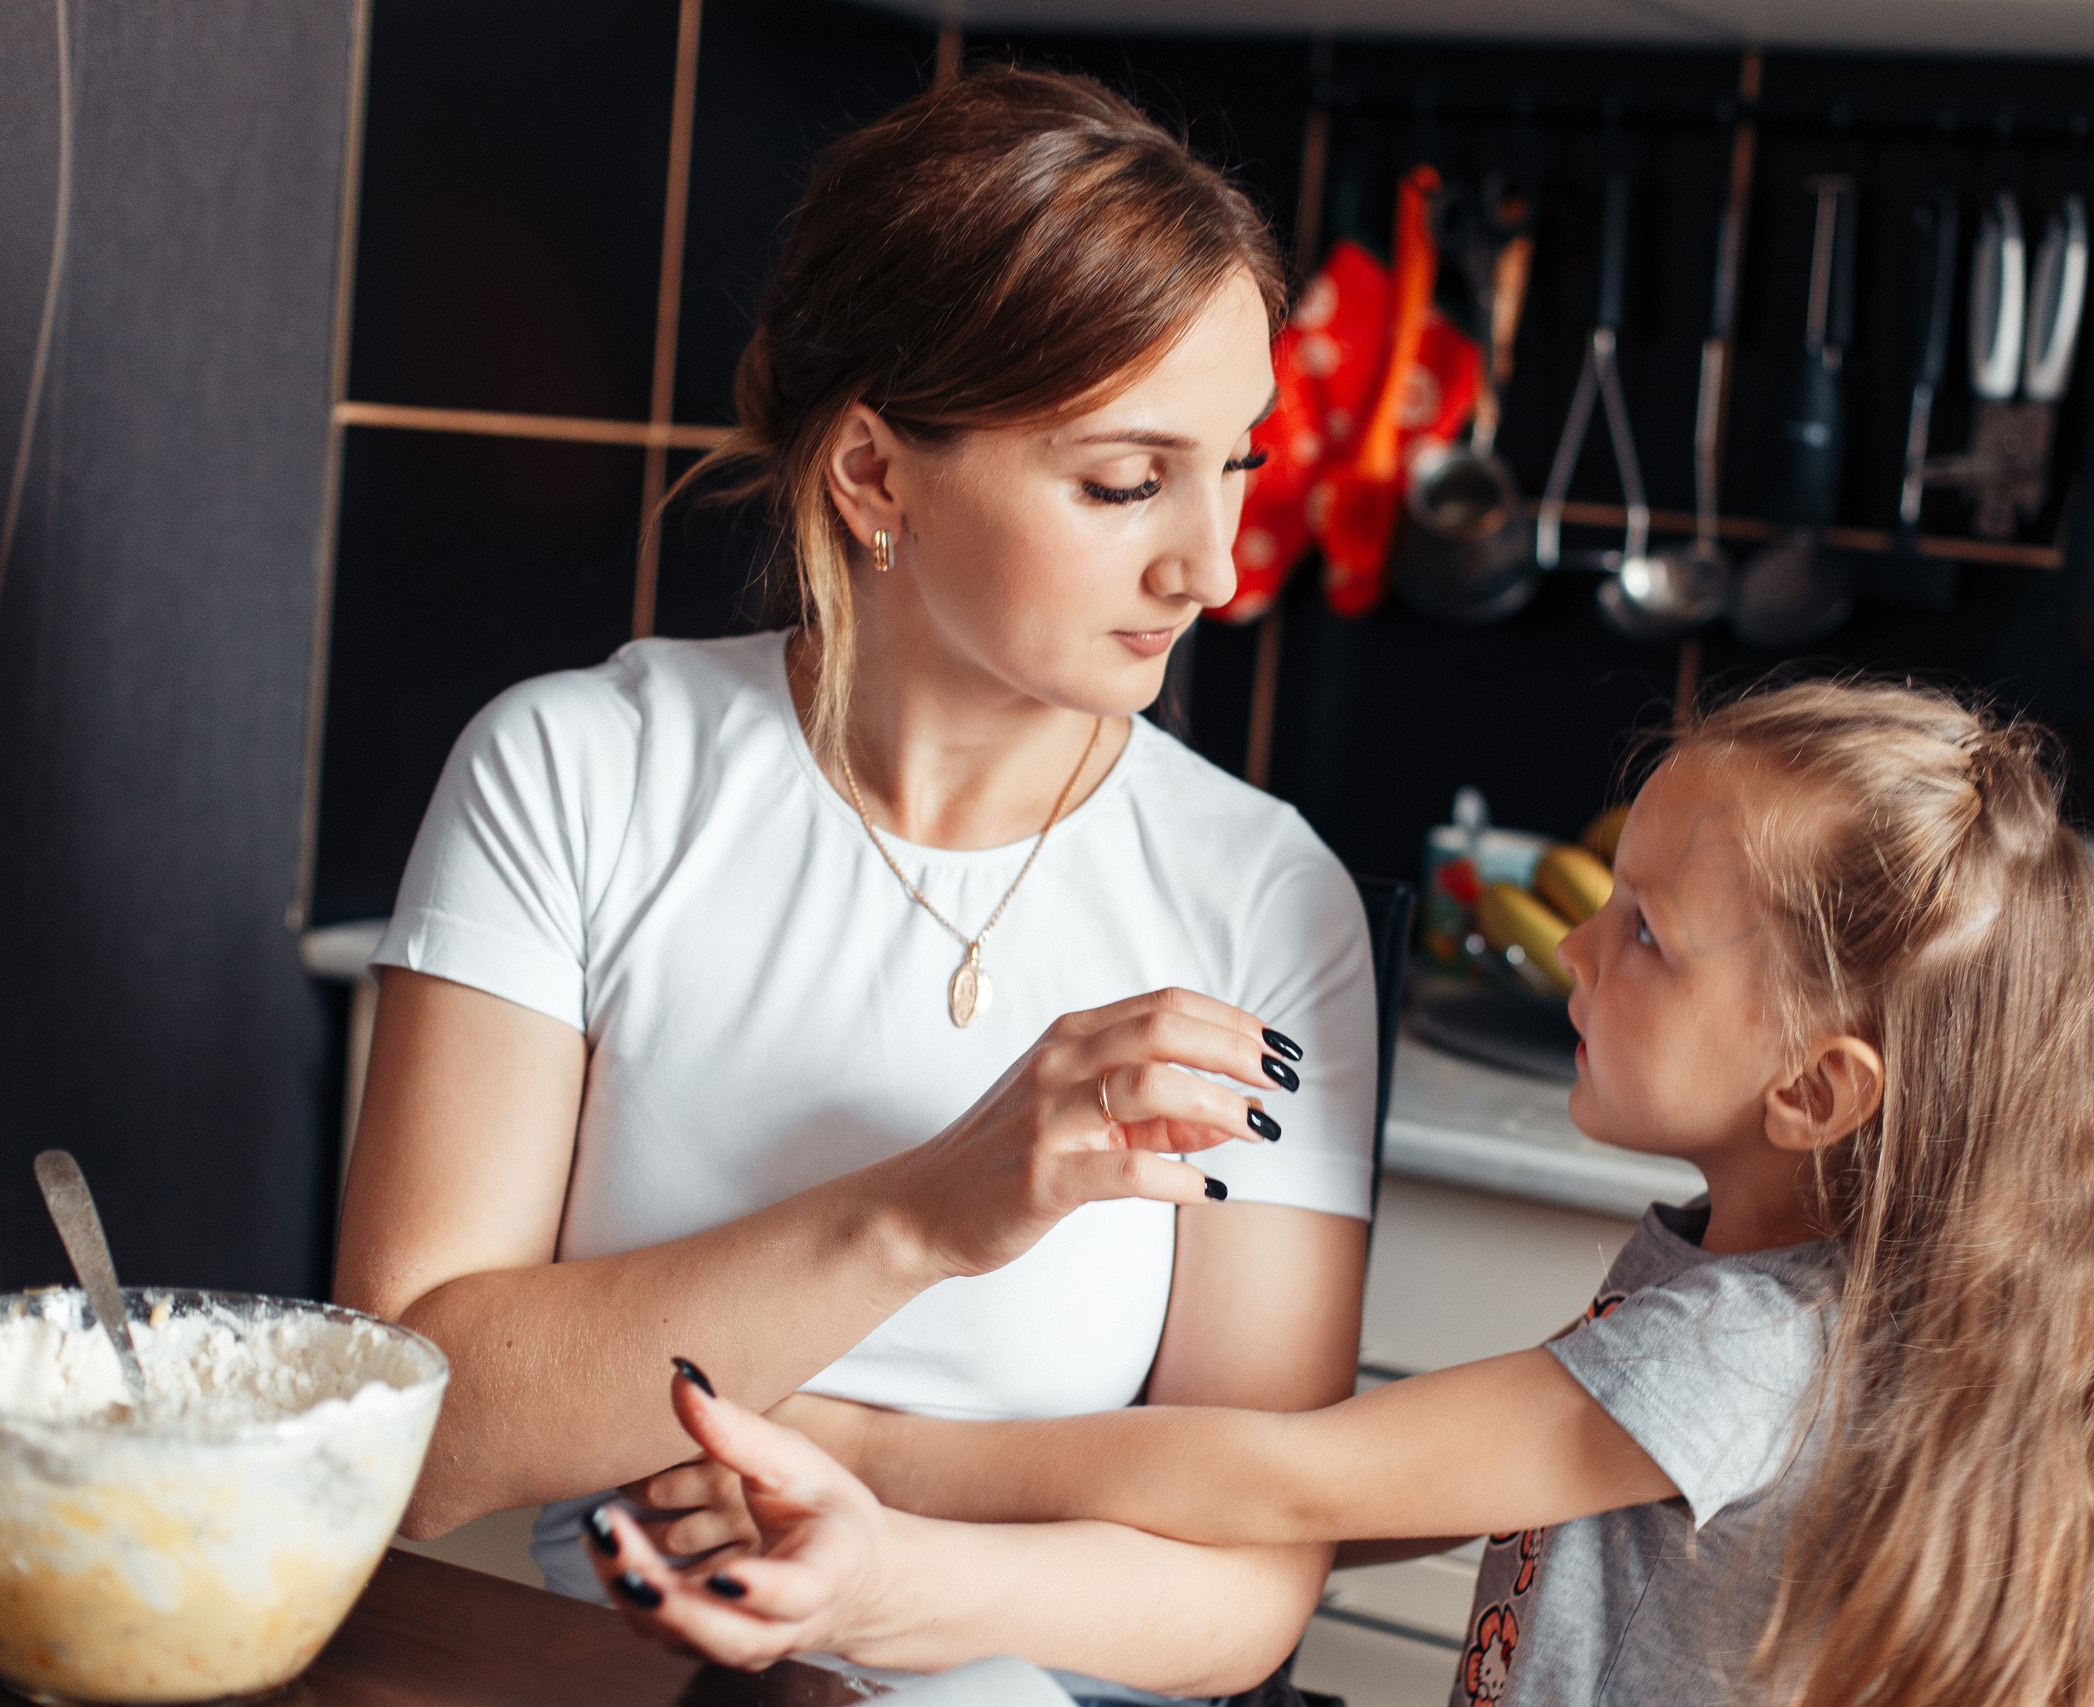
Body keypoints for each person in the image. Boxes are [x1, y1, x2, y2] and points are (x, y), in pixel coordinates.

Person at [332, 67, 1382, 1697]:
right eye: (1124, 481)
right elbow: (412, 1433)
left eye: (1234, 463)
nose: (1215, 566)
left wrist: (868, 1552)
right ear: (877, 475)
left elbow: (1245, 1591)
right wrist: (918, 1215)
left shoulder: (1265, 896)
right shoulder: (578, 775)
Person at [583, 679, 2094, 1707]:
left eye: (1649, 937)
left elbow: (1299, 1483)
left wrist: (851, 1445)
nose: (1577, 947)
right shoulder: (1756, 1281)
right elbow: (1408, 1498)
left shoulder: (1740, 1349)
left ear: (1814, 1090)